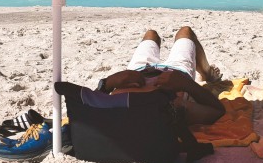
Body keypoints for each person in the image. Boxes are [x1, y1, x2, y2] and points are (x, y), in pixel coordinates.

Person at [95, 26, 225, 126]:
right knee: (185, 32)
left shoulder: (118, 108)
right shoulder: (169, 108)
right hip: (177, 72)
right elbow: (217, 111)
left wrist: (107, 84)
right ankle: (208, 73)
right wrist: (186, 84)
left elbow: (87, 106)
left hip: (138, 69)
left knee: (151, 34)